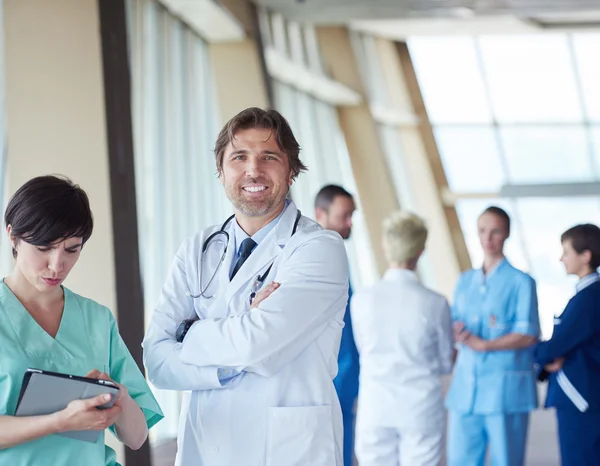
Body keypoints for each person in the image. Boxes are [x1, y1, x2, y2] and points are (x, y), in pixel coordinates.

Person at [142, 107, 349, 466]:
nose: (254, 170)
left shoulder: (319, 249)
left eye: (269, 157)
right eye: (240, 157)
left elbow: (256, 343)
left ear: (291, 171)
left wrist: (189, 332)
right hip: (206, 446)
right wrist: (235, 351)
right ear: (221, 171)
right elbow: (156, 361)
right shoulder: (197, 249)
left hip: (287, 451)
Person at [0, 175, 163, 465]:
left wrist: (118, 394)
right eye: (43, 248)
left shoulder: (96, 319)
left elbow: (136, 438)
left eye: (72, 249)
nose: (56, 265)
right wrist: (59, 421)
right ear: (13, 235)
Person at [351, 211, 453, 466]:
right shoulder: (435, 303)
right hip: (420, 408)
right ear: (420, 252)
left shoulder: (362, 300)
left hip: (376, 406)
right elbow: (445, 362)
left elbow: (364, 349)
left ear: (386, 248)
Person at [446, 206, 540, 466]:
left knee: (505, 461)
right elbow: (454, 320)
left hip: (503, 390)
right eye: (482, 231)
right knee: (460, 460)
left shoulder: (522, 282)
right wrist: (457, 331)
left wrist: (485, 345)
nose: (488, 238)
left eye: (495, 231)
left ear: (507, 234)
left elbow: (528, 333)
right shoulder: (465, 281)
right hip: (466, 389)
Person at [534, 223, 600, 466]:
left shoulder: (588, 298)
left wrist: (535, 350)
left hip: (581, 400)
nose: (561, 259)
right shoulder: (587, 296)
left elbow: (556, 347)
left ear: (586, 256)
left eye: (566, 252)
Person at [315, 184, 359, 466]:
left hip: (346, 375)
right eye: (344, 215)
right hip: (329, 377)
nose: (350, 223)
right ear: (321, 213)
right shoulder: (313, 259)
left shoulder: (337, 255)